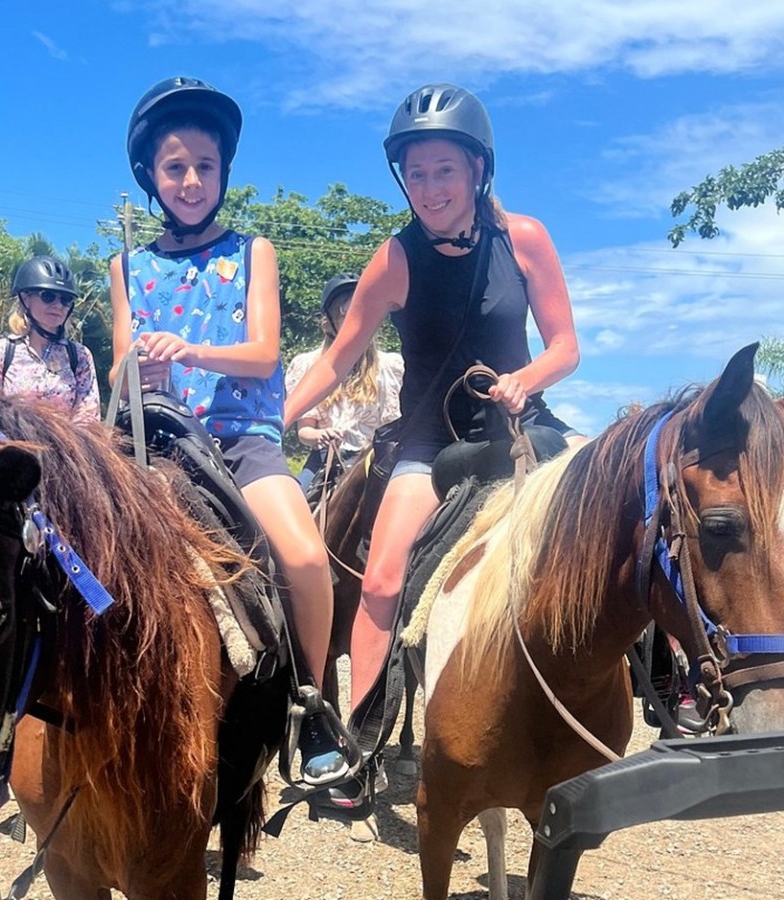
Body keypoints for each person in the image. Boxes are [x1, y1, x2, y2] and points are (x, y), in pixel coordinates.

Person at [284, 82, 581, 801]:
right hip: (427, 438)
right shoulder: (395, 258)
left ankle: (671, 685)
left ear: (479, 170)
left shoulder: (527, 239)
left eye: (443, 169)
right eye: (415, 172)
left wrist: (524, 377)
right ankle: (358, 742)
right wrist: (282, 413)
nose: (429, 186)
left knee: (624, 508)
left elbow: (566, 346)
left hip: (519, 427)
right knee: (382, 580)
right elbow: (340, 355)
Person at [112, 76, 351, 787]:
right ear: (151, 177)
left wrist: (187, 350)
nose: (189, 180)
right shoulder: (129, 266)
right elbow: (122, 368)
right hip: (158, 439)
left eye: (203, 167)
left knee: (306, 558)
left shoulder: (254, 252)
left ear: (223, 173)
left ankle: (313, 704)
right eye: (174, 167)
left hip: (242, 438)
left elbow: (264, 355)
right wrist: (138, 370)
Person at [285, 273, 404, 492]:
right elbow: (304, 432)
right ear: (327, 321)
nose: (353, 320)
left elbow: (393, 428)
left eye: (361, 311)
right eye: (344, 313)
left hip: (373, 463)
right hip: (326, 460)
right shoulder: (308, 365)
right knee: (293, 502)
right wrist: (320, 435)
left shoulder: (390, 367)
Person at [0, 256, 100, 421]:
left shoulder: (80, 355)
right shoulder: (0, 352)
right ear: (25, 298)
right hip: (12, 443)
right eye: (48, 296)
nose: (58, 305)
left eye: (66, 300)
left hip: (66, 444)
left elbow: (88, 415)